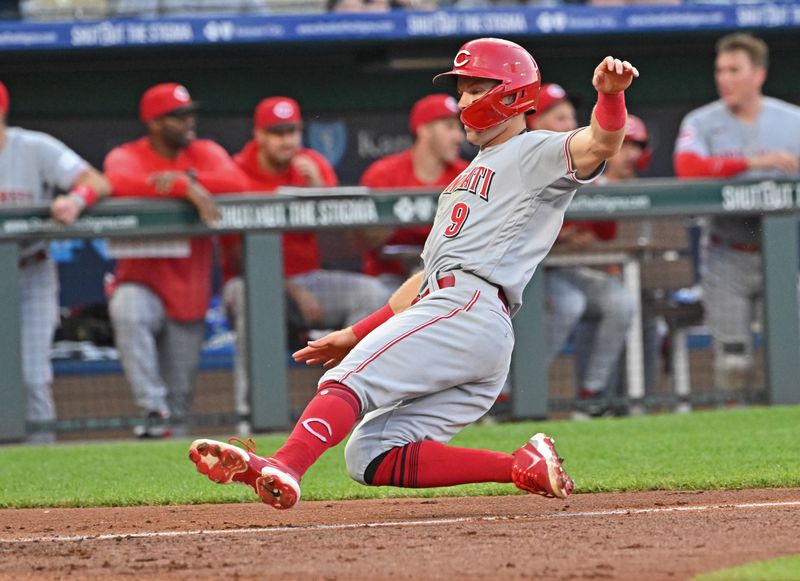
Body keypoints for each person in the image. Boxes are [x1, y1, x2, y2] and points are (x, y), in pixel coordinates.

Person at [189, 38, 639, 509]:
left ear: (510, 95)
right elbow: (425, 281)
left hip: (469, 307)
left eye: (474, 88)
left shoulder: (533, 152)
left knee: (349, 381)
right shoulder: (467, 175)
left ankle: (285, 463)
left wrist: (610, 95)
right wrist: (358, 331)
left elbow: (600, 143)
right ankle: (521, 465)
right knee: (368, 454)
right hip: (469, 319)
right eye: (460, 90)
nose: (462, 101)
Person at [220, 96, 392, 434]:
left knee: (370, 292)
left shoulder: (311, 164)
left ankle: (353, 400)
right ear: (259, 135)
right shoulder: (235, 171)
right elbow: (235, 256)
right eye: (276, 132)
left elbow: (341, 235)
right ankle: (251, 416)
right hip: (252, 282)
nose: (287, 140)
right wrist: (291, 290)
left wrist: (318, 190)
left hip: (310, 280)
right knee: (247, 294)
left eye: (292, 131)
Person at [104, 82, 249, 438]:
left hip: (190, 292)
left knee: (181, 399)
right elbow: (119, 181)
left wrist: (188, 178)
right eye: (177, 116)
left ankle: (169, 471)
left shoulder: (205, 152)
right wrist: (186, 190)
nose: (188, 122)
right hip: (142, 284)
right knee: (127, 308)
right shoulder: (129, 155)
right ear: (153, 123)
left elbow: (238, 183)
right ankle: (152, 407)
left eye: (189, 114)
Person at [673, 32, 800, 396]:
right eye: (720, 70)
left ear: (758, 74)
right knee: (733, 363)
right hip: (727, 253)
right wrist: (758, 162)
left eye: (734, 69)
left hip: (786, 255)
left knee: (793, 356)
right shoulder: (701, 121)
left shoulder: (792, 121)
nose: (724, 78)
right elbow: (688, 167)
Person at [0, 80, 111, 443]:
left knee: (32, 376)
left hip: (30, 269)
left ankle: (39, 458)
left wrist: (76, 200)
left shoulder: (33, 147)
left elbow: (94, 180)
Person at [528, 83, 635, 418]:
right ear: (534, 123)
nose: (570, 124)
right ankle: (517, 391)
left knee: (619, 300)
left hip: (565, 269)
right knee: (570, 304)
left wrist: (583, 228)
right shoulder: (523, 159)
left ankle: (593, 393)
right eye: (560, 117)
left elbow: (606, 230)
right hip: (527, 272)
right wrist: (561, 236)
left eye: (572, 117)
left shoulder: (583, 164)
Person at [356, 93, 469, 292]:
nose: (459, 136)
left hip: (450, 280)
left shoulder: (467, 175)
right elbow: (362, 242)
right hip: (390, 281)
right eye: (449, 127)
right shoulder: (383, 174)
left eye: (459, 127)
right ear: (424, 130)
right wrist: (395, 216)